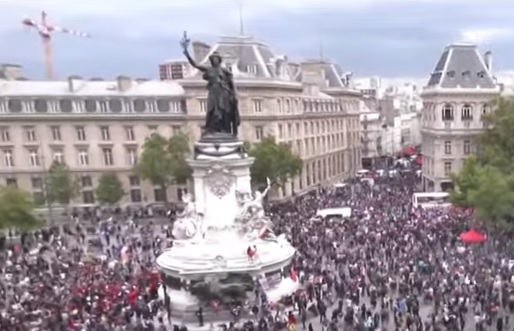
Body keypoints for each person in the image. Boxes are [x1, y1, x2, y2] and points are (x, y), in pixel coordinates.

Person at [181, 31, 240, 136]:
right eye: (213, 59)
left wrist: (235, 94)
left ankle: (225, 130)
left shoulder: (224, 70)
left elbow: (232, 82)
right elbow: (196, 65)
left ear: (219, 60)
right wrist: (187, 54)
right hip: (213, 93)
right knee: (212, 111)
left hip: (223, 94)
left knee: (224, 112)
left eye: (216, 59)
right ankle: (213, 129)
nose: (214, 60)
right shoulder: (209, 69)